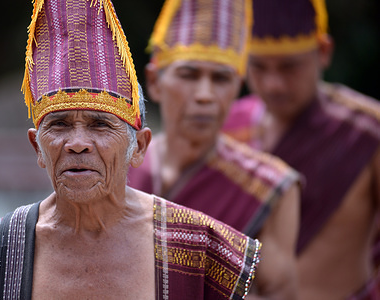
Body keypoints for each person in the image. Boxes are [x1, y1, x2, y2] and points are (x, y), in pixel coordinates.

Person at [0, 0, 262, 298]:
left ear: (140, 147)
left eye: (100, 125)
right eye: (58, 125)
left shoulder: (202, 251)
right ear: (37, 146)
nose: (76, 144)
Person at [127, 0, 301, 298]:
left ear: (238, 87)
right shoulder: (118, 167)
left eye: (221, 78)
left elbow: (279, 294)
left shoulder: (268, 187)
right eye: (189, 75)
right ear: (154, 82)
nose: (205, 95)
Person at [221, 0, 380, 299]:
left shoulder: (367, 131)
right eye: (258, 67)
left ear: (324, 52)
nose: (274, 84)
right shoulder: (229, 128)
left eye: (289, 67)